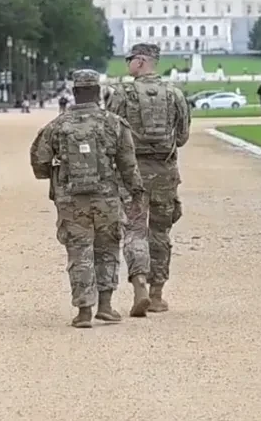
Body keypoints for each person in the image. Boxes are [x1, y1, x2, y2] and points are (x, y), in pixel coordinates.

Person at [30, 69, 142, 328]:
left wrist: (57, 175)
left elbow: (39, 162)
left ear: (75, 92)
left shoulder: (58, 125)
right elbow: (128, 165)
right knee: (107, 250)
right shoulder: (114, 123)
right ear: (98, 93)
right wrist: (135, 191)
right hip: (106, 199)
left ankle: (83, 311)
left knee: (79, 252)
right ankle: (106, 306)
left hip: (71, 201)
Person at [105, 43, 191, 316]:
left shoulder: (122, 93)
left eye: (130, 59)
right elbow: (182, 136)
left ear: (141, 61)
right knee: (160, 232)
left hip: (132, 172)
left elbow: (110, 133)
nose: (128, 64)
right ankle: (156, 294)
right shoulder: (175, 94)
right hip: (164, 172)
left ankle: (139, 282)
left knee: (134, 230)